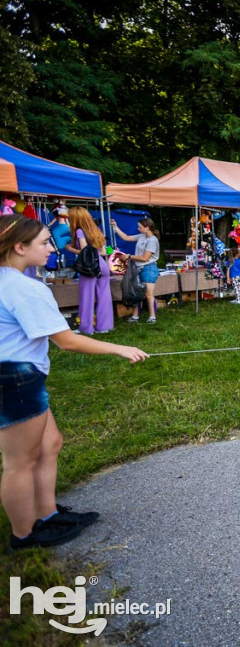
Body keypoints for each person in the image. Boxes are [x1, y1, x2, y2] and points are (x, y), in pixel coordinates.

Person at [0, 215, 148, 549]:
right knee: (19, 463)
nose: (51, 248)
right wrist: (120, 348)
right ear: (19, 247)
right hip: (14, 377)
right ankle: (25, 534)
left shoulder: (11, 281)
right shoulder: (25, 288)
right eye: (44, 243)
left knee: (50, 444)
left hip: (19, 374)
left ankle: (48, 513)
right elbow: (66, 341)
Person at [65, 207, 114, 335]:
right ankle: (104, 326)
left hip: (90, 267)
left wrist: (70, 249)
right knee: (104, 296)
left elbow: (84, 251)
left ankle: (86, 327)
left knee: (87, 297)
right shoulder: (96, 230)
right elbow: (103, 252)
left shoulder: (80, 231)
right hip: (102, 265)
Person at [111, 217, 160, 323]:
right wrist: (115, 227)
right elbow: (126, 237)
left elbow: (145, 258)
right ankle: (135, 316)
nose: (138, 229)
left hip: (149, 268)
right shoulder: (142, 236)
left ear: (147, 228)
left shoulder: (152, 240)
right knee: (136, 292)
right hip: (138, 268)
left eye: (140, 227)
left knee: (148, 294)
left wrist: (129, 256)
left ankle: (152, 316)